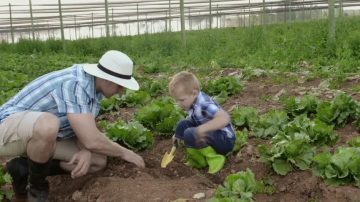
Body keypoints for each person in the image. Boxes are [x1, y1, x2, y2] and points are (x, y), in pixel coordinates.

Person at [0, 50, 145, 201]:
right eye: (120, 85)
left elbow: (85, 132)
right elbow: (92, 140)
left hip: (39, 140)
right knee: (48, 124)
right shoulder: (74, 83)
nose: (122, 91)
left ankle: (23, 168)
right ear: (106, 78)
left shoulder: (95, 92)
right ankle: (37, 190)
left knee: (97, 161)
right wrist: (125, 153)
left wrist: (86, 150)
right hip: (7, 130)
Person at [168, 71, 236, 174]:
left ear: (194, 93)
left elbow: (225, 118)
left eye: (181, 100)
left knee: (190, 133)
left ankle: (214, 158)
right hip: (212, 135)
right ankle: (197, 158)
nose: (179, 104)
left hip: (224, 140)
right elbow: (192, 120)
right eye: (177, 100)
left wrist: (202, 129)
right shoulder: (192, 102)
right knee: (182, 125)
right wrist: (178, 134)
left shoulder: (204, 104)